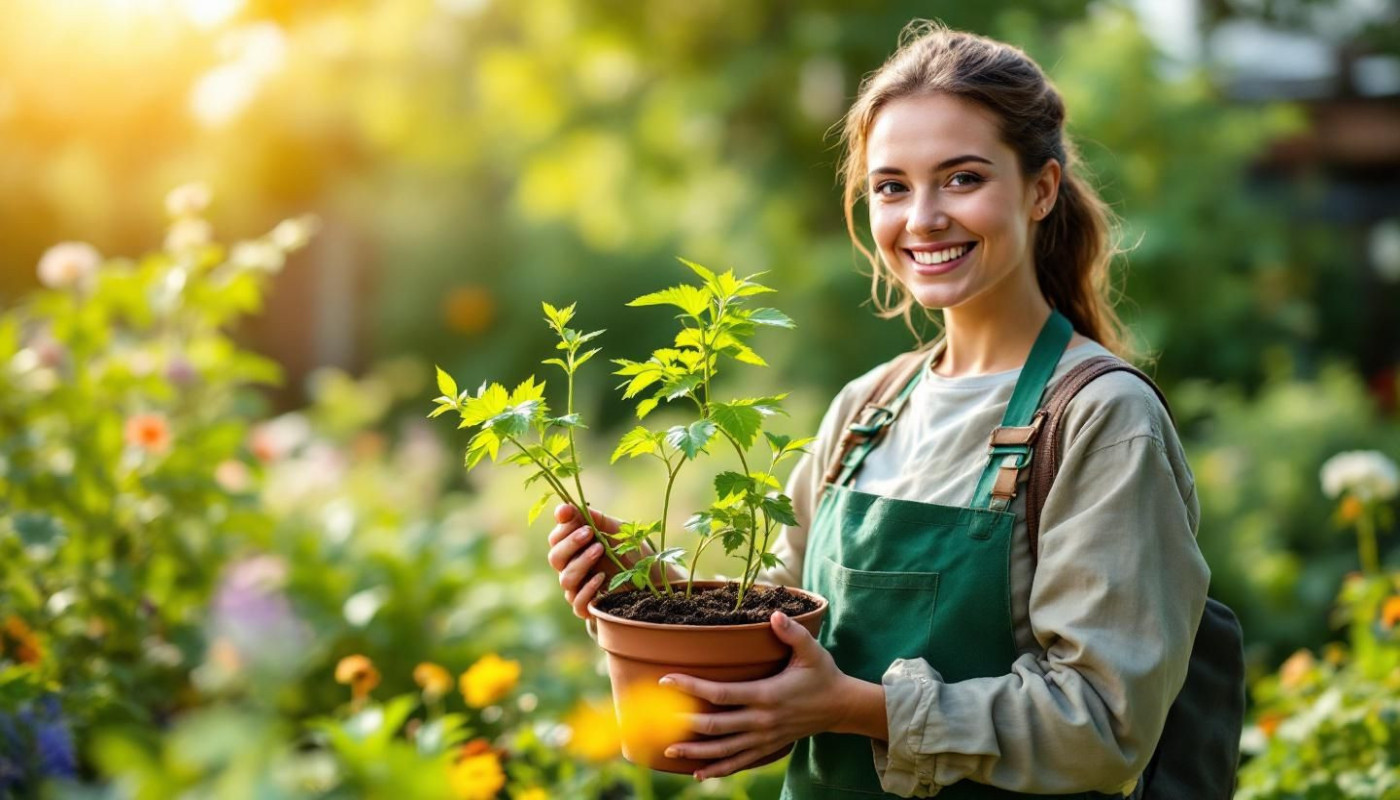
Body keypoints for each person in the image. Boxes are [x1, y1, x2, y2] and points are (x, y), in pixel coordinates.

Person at [546, 21, 1209, 799]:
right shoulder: (867, 408)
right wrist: (653, 599)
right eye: (892, 186)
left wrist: (857, 707)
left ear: (1041, 189)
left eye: (962, 178)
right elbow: (780, 666)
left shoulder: (1100, 418)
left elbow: (1103, 725)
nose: (922, 218)